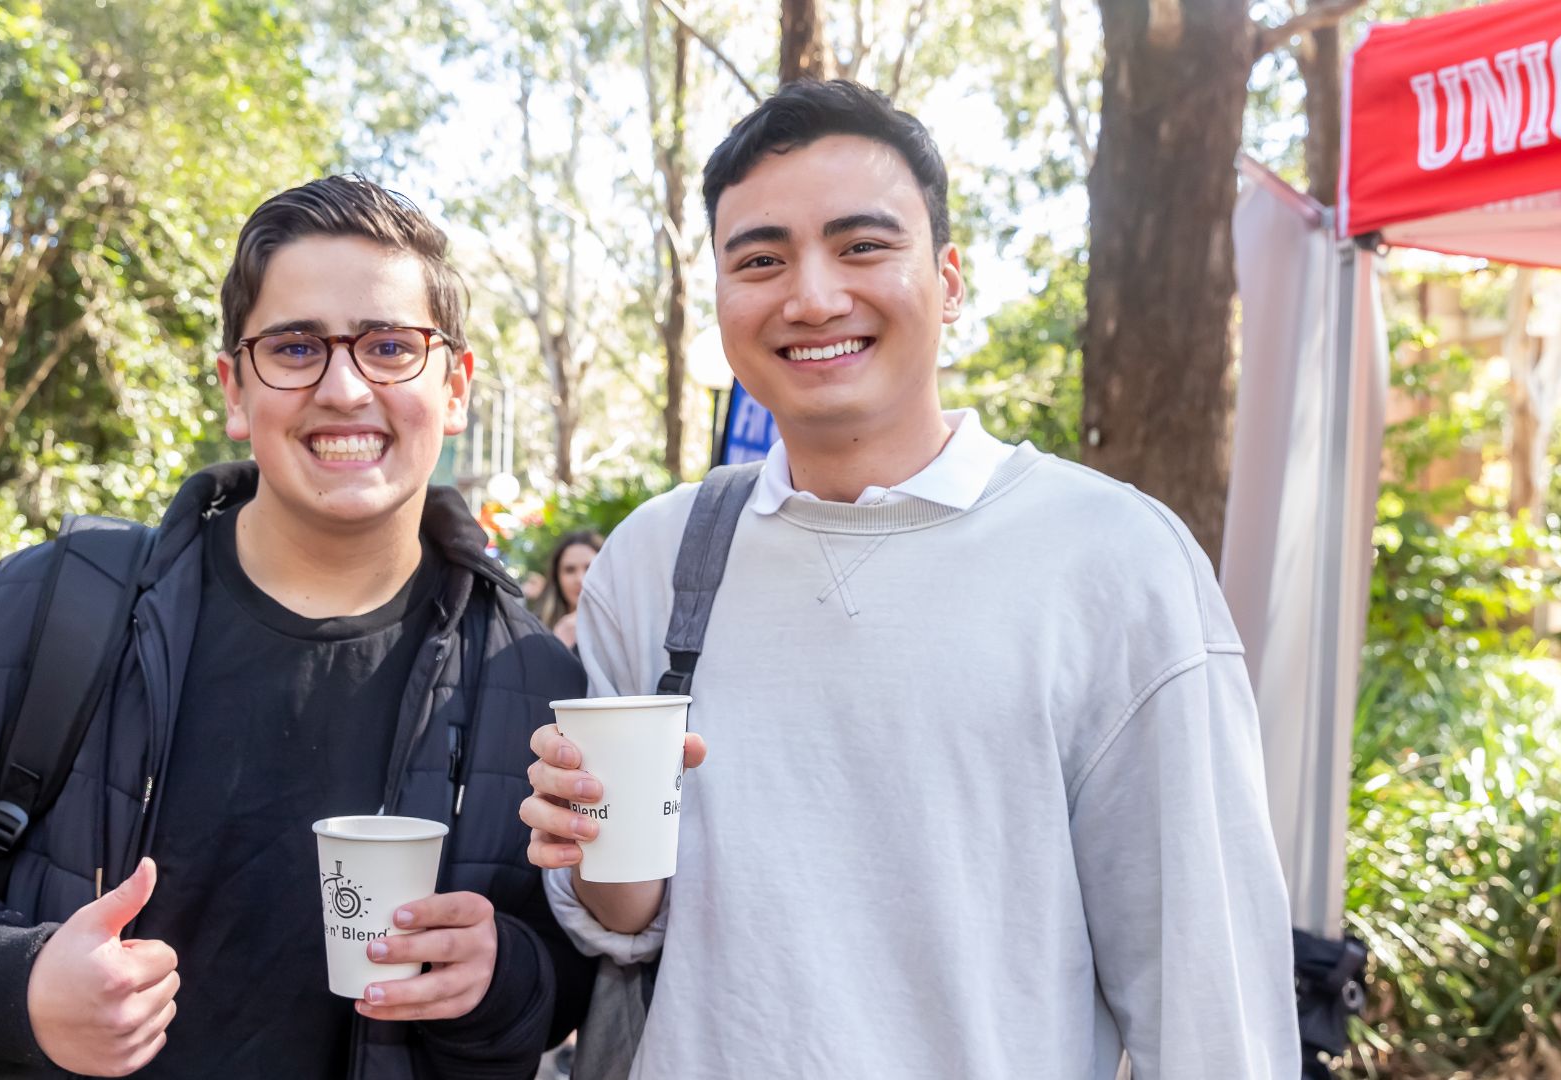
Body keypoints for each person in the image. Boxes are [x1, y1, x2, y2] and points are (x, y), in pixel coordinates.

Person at [520, 81, 1300, 1079]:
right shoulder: (656, 557)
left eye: (862, 247)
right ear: (720, 298)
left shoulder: (1114, 562)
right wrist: (590, 837)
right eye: (759, 260)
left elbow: (1210, 995)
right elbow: (628, 923)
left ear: (948, 278)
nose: (810, 297)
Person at [0, 176, 591, 1079]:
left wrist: (500, 975)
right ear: (235, 391)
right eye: (294, 348)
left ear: (455, 387)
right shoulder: (49, 606)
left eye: (391, 346)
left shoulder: (533, 676)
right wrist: (13, 990)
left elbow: (574, 957)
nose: (344, 386)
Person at [537, 530, 602, 649]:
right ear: (557, 578)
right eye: (570, 570)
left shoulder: (627, 627)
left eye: (590, 567)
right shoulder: (535, 631)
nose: (580, 579)